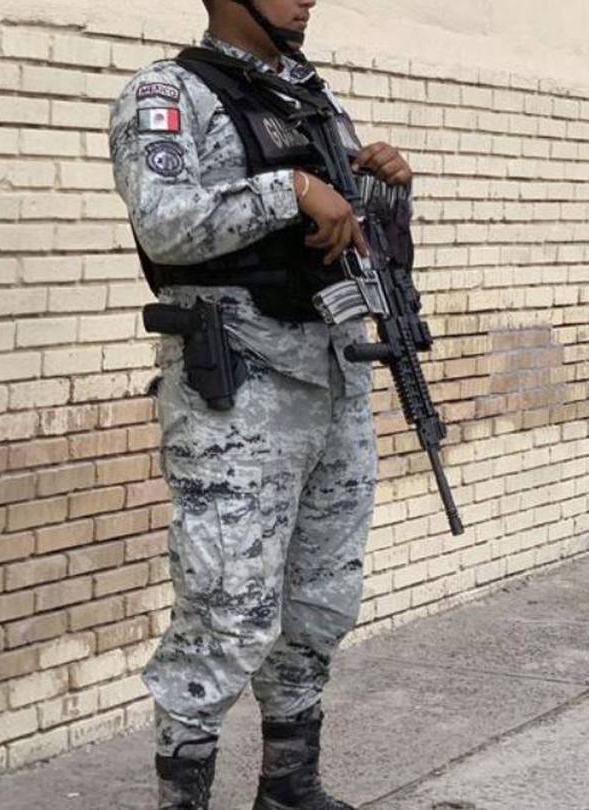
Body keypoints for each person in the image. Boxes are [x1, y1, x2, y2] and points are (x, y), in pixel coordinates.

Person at [109, 1, 413, 807]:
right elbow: (166, 226)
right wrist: (294, 188)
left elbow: (352, 236)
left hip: (336, 373)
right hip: (238, 389)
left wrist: (386, 190)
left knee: (320, 597)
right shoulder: (170, 94)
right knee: (226, 605)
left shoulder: (313, 103)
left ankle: (288, 786)